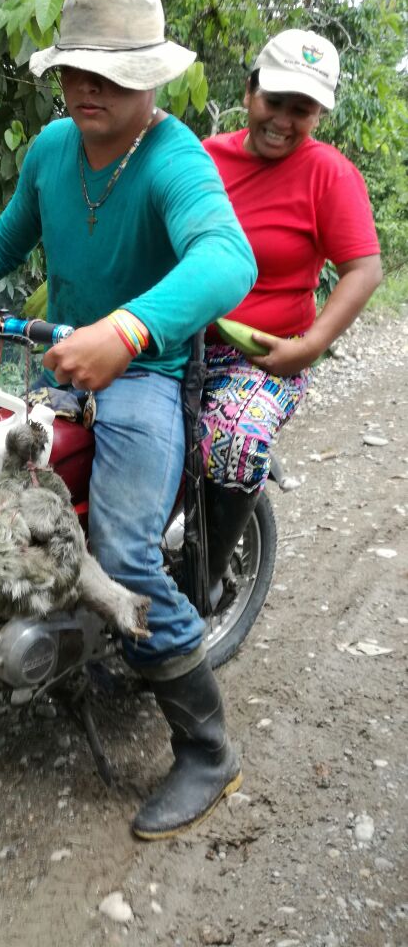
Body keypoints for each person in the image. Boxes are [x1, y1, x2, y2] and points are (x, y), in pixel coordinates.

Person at [0, 0, 257, 839]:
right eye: (76, 69)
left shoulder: (175, 159)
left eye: (112, 73)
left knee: (123, 553)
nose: (88, 88)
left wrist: (125, 332)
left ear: (153, 77)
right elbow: (10, 237)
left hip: (145, 376)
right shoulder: (52, 147)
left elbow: (228, 260)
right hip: (63, 363)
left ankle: (207, 750)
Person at [200, 30, 382, 591]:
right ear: (249, 91)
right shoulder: (205, 159)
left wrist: (308, 347)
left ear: (318, 115)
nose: (282, 119)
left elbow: (363, 270)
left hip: (264, 356)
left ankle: (198, 586)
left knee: (235, 439)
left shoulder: (329, 173)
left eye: (300, 109)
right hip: (179, 339)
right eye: (274, 101)